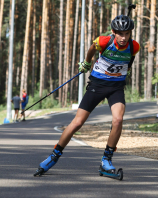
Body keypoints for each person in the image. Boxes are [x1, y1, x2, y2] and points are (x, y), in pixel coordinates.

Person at [35, 14, 140, 175]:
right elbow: (92, 49)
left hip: (116, 87)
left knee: (118, 120)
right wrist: (87, 63)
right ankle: (54, 156)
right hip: (97, 85)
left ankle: (106, 160)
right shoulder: (104, 41)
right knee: (77, 123)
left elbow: (129, 60)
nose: (123, 38)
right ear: (113, 32)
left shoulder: (134, 47)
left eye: (127, 34)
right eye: (120, 34)